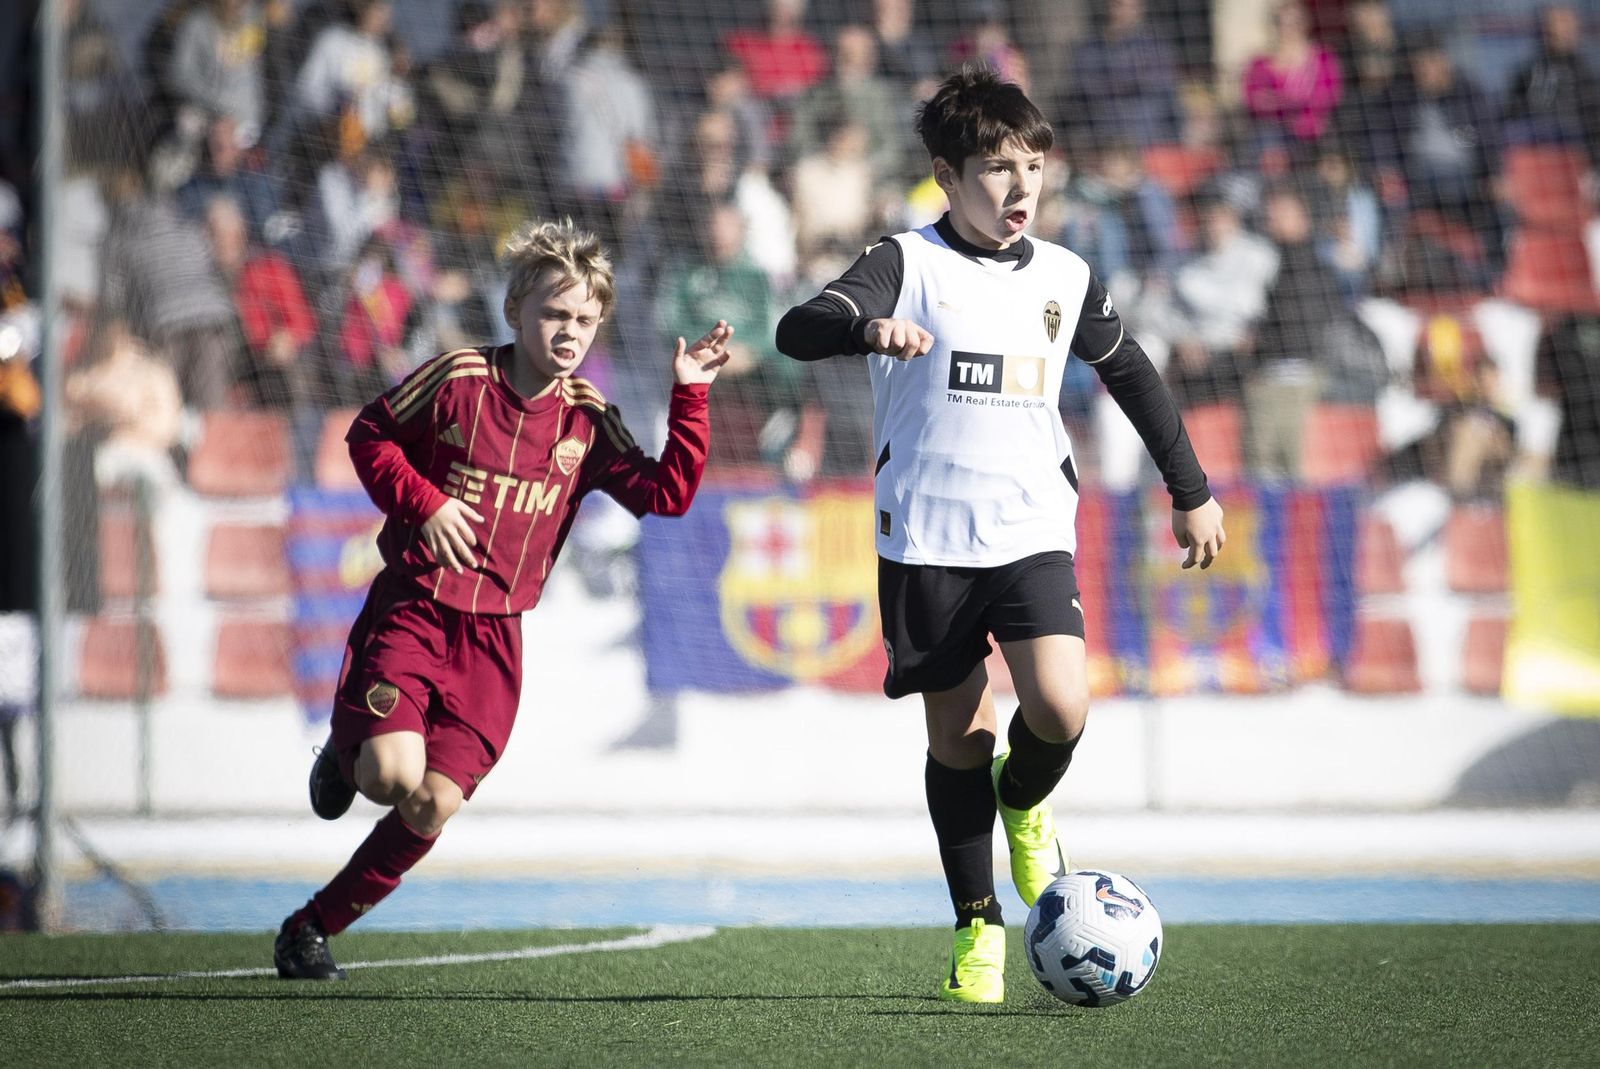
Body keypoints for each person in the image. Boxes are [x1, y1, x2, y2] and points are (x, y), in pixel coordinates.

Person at [774, 67, 1224, 1003]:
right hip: (926, 540)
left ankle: (1027, 800)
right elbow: (799, 327)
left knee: (1061, 707)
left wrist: (1192, 489)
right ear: (946, 173)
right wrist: (866, 328)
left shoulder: (1065, 274)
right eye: (993, 169)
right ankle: (976, 926)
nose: (1019, 188)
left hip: (1028, 528)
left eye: (1031, 167)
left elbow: (1131, 372)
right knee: (960, 735)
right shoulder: (906, 260)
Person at [273, 219, 734, 979]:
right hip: (415, 610)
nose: (570, 332)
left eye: (586, 319)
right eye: (555, 313)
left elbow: (667, 494)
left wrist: (691, 395)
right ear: (516, 308)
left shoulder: (585, 417)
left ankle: (309, 926)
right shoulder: (459, 379)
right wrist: (425, 502)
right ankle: (346, 750)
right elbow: (368, 435)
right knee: (389, 775)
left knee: (429, 806)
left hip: (494, 643)